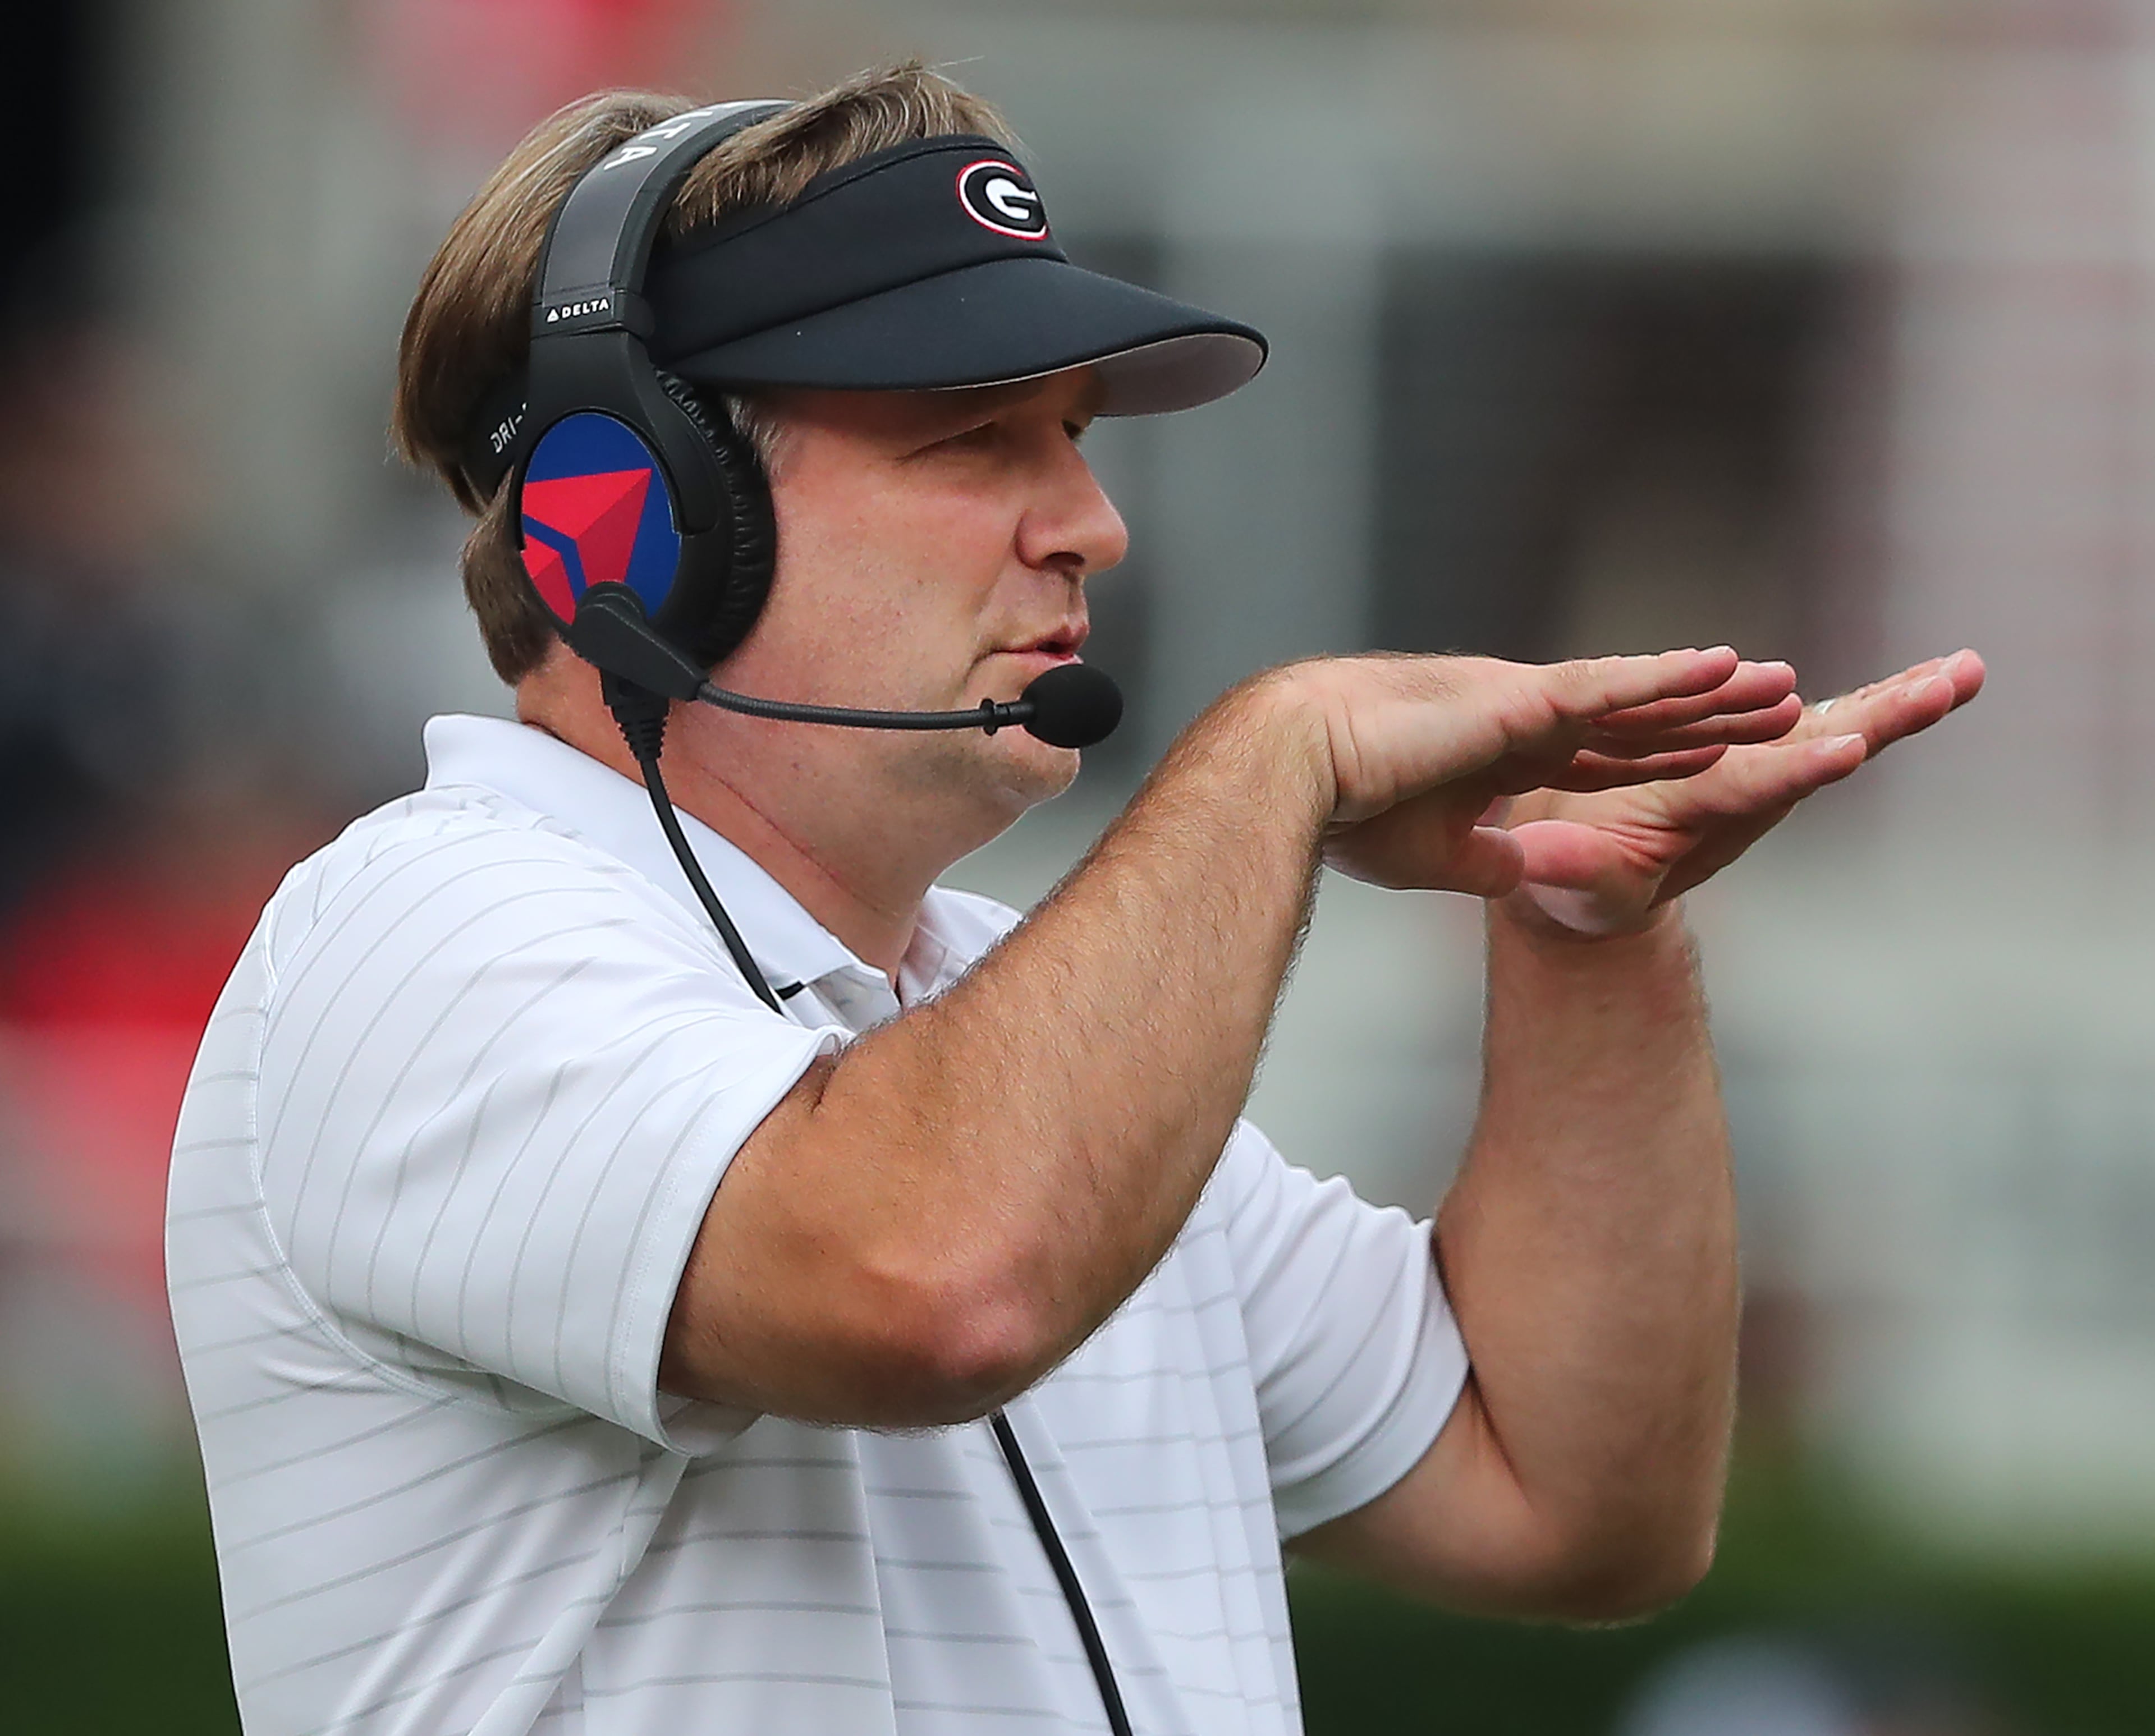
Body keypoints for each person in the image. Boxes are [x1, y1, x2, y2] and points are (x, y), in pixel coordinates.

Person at [165, 63, 1983, 1736]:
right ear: (625, 511)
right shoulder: (422, 931)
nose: (1090, 522)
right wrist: (1279, 750)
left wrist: (1589, 925)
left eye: (1074, 432)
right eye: (970, 438)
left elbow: (1581, 1499)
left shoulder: (1022, 1021)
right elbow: (935, 1280)